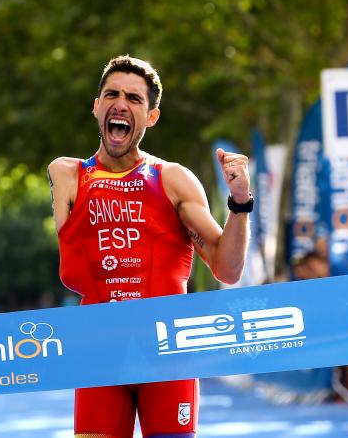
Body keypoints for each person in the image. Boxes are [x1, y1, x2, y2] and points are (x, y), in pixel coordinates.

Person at [48, 55, 252, 438]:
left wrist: (240, 202)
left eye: (134, 98)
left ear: (152, 116)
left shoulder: (172, 179)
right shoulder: (69, 175)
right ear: (96, 108)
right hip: (99, 349)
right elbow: (72, 271)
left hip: (167, 352)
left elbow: (228, 269)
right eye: (111, 94)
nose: (120, 103)